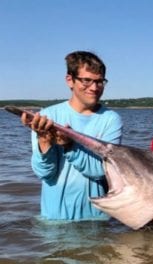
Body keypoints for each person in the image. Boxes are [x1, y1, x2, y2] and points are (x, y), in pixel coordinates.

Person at [20, 51, 123, 221]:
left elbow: (100, 170)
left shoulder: (111, 120)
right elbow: (44, 173)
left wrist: (69, 146)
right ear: (70, 80)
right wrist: (44, 142)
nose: (94, 88)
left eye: (99, 81)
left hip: (96, 220)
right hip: (54, 219)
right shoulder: (46, 117)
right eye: (87, 80)